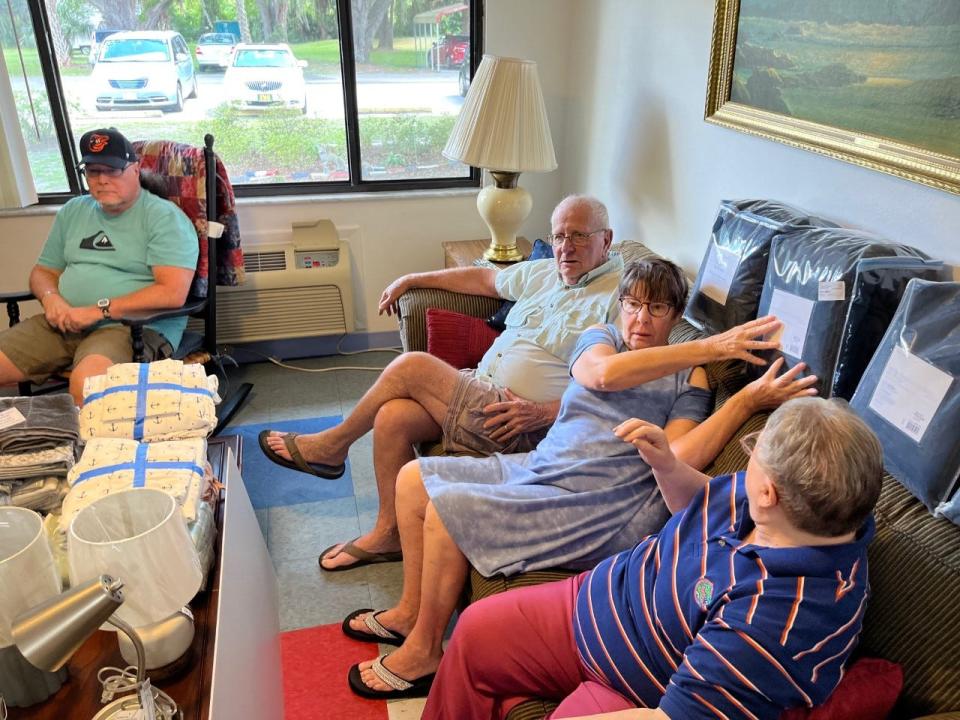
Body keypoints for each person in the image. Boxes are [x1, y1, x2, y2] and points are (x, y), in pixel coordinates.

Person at [345, 259, 819, 700]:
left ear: (674, 316)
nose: (641, 319)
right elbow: (604, 376)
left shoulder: (690, 378)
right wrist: (712, 346)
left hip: (605, 502)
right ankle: (410, 613)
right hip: (544, 466)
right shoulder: (601, 337)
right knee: (412, 480)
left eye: (656, 308)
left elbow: (678, 456)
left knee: (450, 516)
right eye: (633, 304)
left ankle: (426, 651)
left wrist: (745, 401)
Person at [418, 396, 883, 719]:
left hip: (635, 691)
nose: (749, 456)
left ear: (768, 493)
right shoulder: (796, 509)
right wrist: (668, 466)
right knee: (475, 631)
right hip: (595, 602)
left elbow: (672, 717)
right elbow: (703, 502)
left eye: (753, 449)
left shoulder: (778, 621)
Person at [261, 195, 629, 570]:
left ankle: (331, 446)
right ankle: (389, 535)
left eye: (579, 236)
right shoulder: (543, 273)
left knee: (412, 367)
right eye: (559, 236)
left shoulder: (622, 296)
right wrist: (412, 279)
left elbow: (617, 381)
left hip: (516, 419)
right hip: (479, 388)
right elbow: (484, 278)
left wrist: (544, 412)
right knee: (393, 416)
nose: (566, 247)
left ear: (607, 239)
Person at [0, 128, 198, 405]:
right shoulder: (74, 210)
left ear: (135, 169)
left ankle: (93, 446)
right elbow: (43, 272)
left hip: (131, 327)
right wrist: (51, 299)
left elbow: (172, 293)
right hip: (65, 322)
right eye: (93, 172)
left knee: (88, 388)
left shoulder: (164, 218)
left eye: (113, 170)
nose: (102, 180)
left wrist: (97, 311)